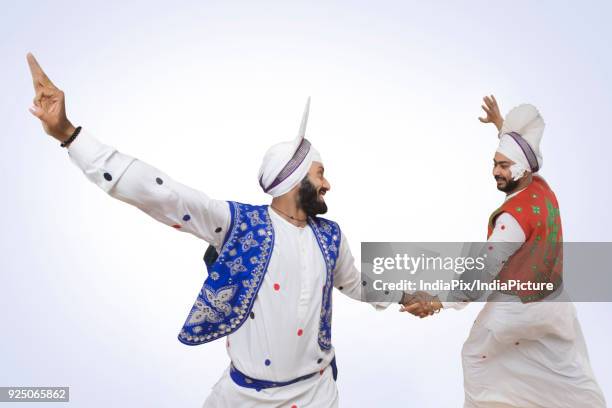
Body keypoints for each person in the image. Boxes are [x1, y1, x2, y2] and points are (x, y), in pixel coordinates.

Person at [26, 52, 404, 407]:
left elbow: (356, 283)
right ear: (293, 178)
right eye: (320, 174)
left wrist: (408, 296)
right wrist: (69, 135)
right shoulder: (240, 226)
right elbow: (163, 194)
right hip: (243, 397)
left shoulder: (330, 236)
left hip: (316, 394)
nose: (327, 184)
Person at [402, 95, 606, 407]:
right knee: (567, 362)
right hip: (555, 301)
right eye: (494, 163)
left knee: (475, 355)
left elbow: (481, 273)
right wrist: (501, 125)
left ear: (522, 168)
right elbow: (520, 150)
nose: (496, 171)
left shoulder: (512, 219)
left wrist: (436, 301)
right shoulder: (540, 185)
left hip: (519, 306)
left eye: (503, 166)